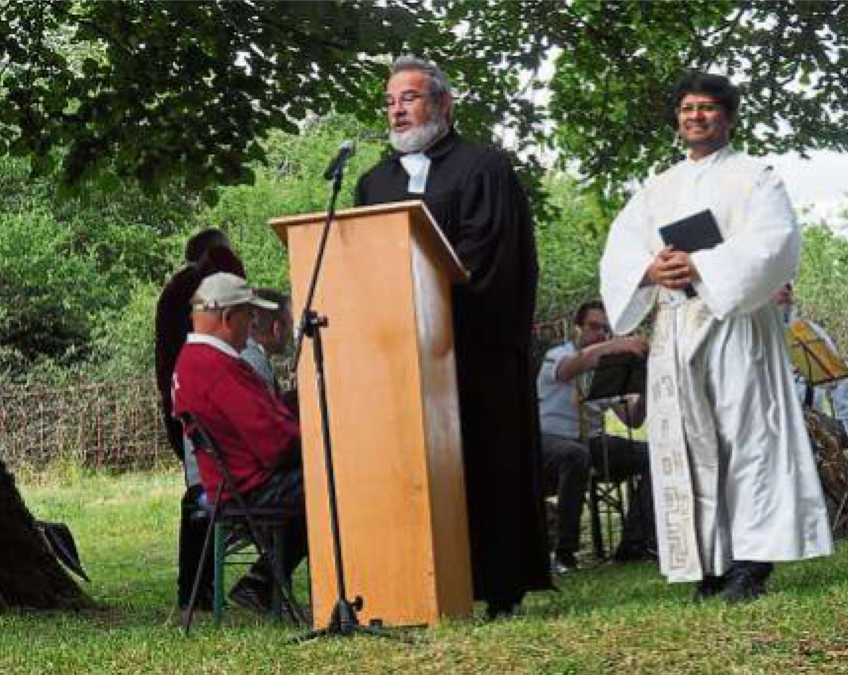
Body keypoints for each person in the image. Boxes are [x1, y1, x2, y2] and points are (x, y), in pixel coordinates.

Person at [599, 72, 832, 603]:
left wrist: (700, 265)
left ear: (727, 118)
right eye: (687, 108)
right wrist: (652, 269)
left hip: (735, 323)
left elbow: (774, 243)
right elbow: (621, 251)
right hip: (677, 328)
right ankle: (708, 561)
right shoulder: (656, 188)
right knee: (688, 441)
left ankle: (751, 561)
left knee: (745, 437)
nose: (695, 117)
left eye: (707, 108)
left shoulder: (757, 176)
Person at [354, 56, 550, 617]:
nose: (397, 111)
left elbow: (489, 256)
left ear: (443, 104)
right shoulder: (373, 182)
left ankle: (498, 587)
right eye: (390, 102)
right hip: (400, 355)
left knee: (484, 463)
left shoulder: (483, 167)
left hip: (471, 348)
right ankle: (414, 578)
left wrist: (431, 302)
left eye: (409, 98)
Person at [172, 273, 308, 615]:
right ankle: (261, 583)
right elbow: (276, 444)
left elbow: (265, 420)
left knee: (332, 475)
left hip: (236, 484)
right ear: (228, 317)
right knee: (338, 479)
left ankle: (263, 582)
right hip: (248, 489)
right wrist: (319, 437)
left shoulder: (197, 361)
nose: (253, 325)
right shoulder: (215, 367)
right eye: (249, 315)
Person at [153, 228, 245, 611]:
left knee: (202, 488)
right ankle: (195, 588)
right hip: (201, 398)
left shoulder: (175, 289)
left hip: (178, 396)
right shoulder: (201, 283)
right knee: (203, 490)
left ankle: (196, 588)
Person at [537, 300, 656, 570]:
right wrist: (615, 345)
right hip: (550, 440)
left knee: (651, 455)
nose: (600, 334)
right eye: (594, 327)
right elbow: (571, 368)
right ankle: (565, 552)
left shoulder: (606, 367)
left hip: (591, 442)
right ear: (577, 328)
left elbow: (632, 420)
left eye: (606, 330)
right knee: (574, 455)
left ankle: (636, 542)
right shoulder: (557, 355)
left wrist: (647, 384)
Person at [774, 282, 848, 443]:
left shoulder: (810, 331)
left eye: (789, 286)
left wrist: (846, 423)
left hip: (811, 422)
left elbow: (838, 381)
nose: (785, 291)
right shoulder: (752, 335)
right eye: (777, 284)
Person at [239, 289, 293, 397]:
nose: (290, 334)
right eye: (289, 326)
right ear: (277, 329)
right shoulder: (257, 367)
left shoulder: (239, 352)